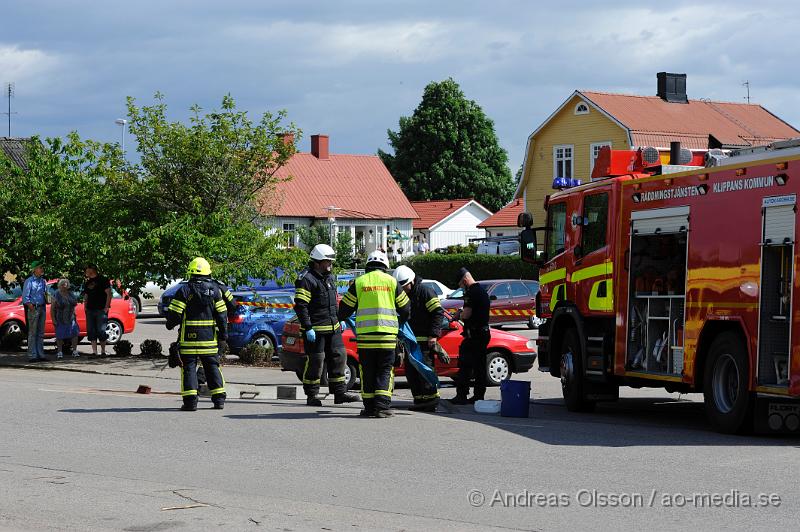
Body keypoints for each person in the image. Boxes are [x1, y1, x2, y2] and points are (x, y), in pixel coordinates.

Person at [338, 250, 410, 418]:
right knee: (385, 370)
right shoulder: (392, 282)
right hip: (387, 337)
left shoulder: (359, 282)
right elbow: (406, 309)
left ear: (367, 266)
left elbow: (344, 310)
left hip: (365, 338)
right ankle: (382, 406)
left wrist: (341, 319)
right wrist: (400, 324)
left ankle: (369, 407)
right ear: (385, 266)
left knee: (367, 371)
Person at [294, 244, 358, 406]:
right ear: (317, 262)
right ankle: (312, 395)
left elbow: (334, 301)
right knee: (316, 361)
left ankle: (340, 393)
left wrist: (340, 318)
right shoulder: (306, 279)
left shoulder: (328, 277)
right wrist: (308, 327)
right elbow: (301, 306)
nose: (330, 264)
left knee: (339, 358)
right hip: (316, 330)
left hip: (333, 327)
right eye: (327, 261)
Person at [165, 257, 228, 411]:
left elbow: (174, 314)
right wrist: (223, 335)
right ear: (208, 272)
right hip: (209, 339)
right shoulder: (215, 290)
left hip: (188, 339)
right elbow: (222, 314)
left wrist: (170, 325)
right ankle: (219, 400)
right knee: (212, 367)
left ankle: (190, 402)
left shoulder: (184, 290)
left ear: (190, 272)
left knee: (188, 368)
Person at [393, 265, 449, 412]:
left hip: (424, 341)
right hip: (409, 341)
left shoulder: (425, 292)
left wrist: (433, 336)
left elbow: (438, 313)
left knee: (424, 371)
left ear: (411, 281)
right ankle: (419, 400)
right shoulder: (403, 295)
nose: (402, 290)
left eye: (404, 287)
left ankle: (431, 400)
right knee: (411, 373)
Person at [450, 267, 491, 405]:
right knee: (480, 367)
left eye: (461, 285)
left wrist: (458, 315)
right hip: (483, 333)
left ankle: (461, 395)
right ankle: (479, 396)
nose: (462, 288)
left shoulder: (471, 293)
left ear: (465, 280)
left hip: (473, 335)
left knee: (465, 366)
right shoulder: (482, 291)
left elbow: (467, 314)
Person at [81, 265, 112, 357]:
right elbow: (86, 296)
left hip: (100, 309)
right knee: (91, 331)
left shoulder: (103, 280)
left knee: (101, 330)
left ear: (92, 270)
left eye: (87, 270)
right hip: (90, 310)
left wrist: (106, 307)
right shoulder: (87, 282)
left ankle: (103, 351)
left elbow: (109, 294)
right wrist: (85, 307)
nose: (86, 272)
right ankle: (94, 352)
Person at [22, 260, 47, 361]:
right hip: (34, 308)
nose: (42, 269)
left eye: (42, 267)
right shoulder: (29, 281)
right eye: (40, 267)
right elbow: (25, 297)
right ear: (35, 269)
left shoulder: (42, 281)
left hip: (42, 307)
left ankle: (40, 354)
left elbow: (44, 294)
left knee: (41, 333)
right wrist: (31, 307)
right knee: (33, 332)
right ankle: (32, 355)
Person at [51, 278, 80, 359]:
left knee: (75, 333)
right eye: (63, 284)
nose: (64, 285)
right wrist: (53, 319)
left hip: (71, 317)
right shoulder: (56, 294)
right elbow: (52, 309)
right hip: (60, 318)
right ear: (59, 286)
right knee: (59, 335)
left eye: (66, 284)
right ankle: (60, 352)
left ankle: (74, 351)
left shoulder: (71, 293)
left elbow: (75, 302)